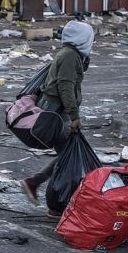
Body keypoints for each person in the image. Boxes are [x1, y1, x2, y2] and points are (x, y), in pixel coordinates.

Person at [19, 20, 94, 217]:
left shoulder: (71, 54)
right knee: (69, 154)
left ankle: (38, 185)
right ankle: (55, 203)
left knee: (67, 153)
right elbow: (66, 86)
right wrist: (74, 115)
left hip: (57, 109)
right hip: (57, 112)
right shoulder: (69, 56)